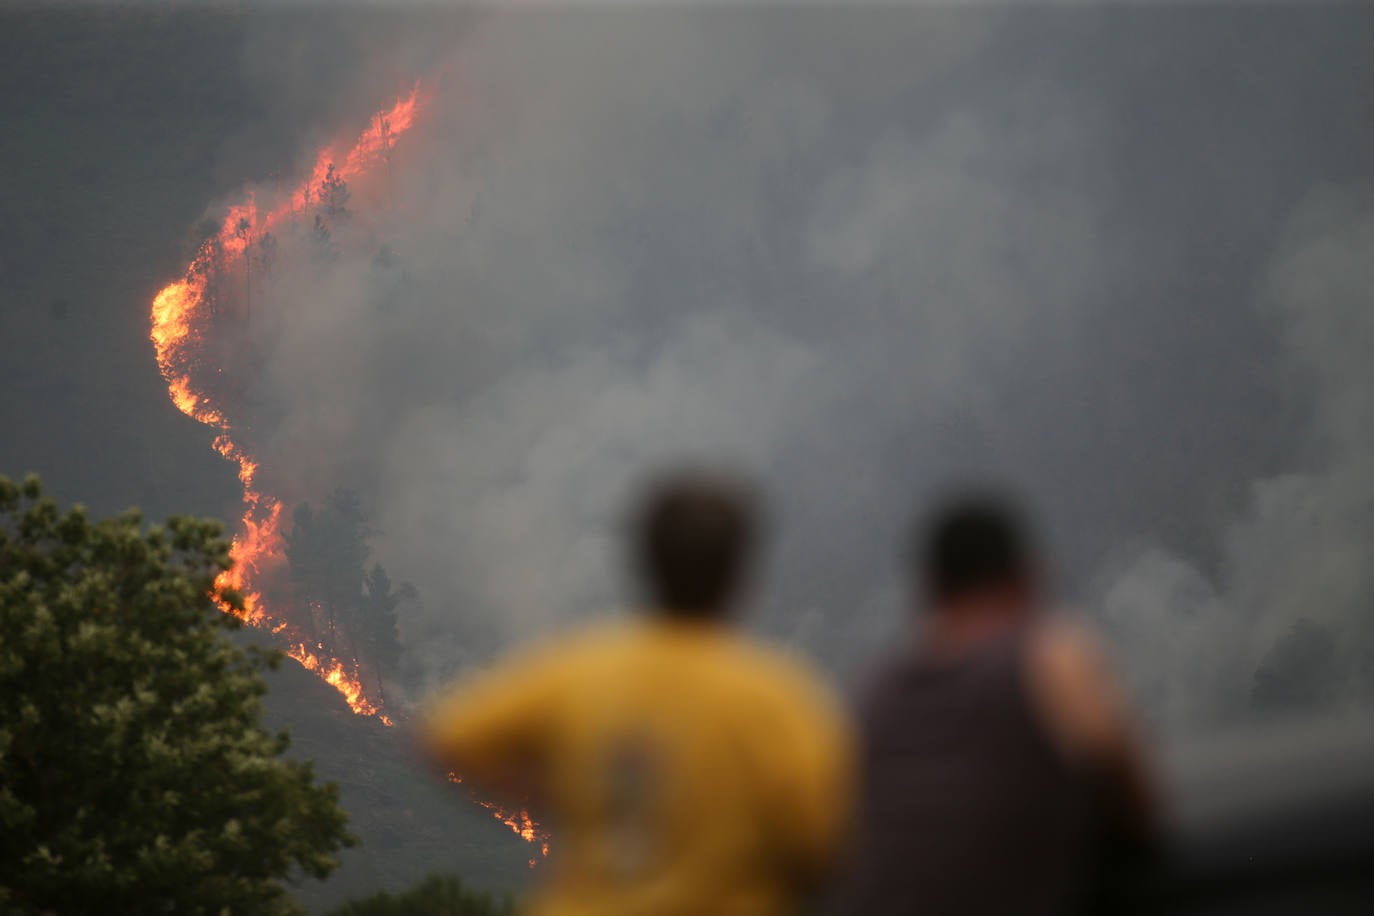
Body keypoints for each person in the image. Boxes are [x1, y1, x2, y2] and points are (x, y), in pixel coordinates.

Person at [421, 471, 852, 916]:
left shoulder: (579, 669)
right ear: (741, 576)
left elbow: (449, 737)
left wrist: (560, 799)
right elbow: (823, 845)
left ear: (644, 563)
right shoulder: (778, 699)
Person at [838, 491, 1157, 916]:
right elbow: (1116, 765)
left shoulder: (874, 688)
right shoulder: (1047, 654)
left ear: (932, 592)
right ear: (1027, 577)